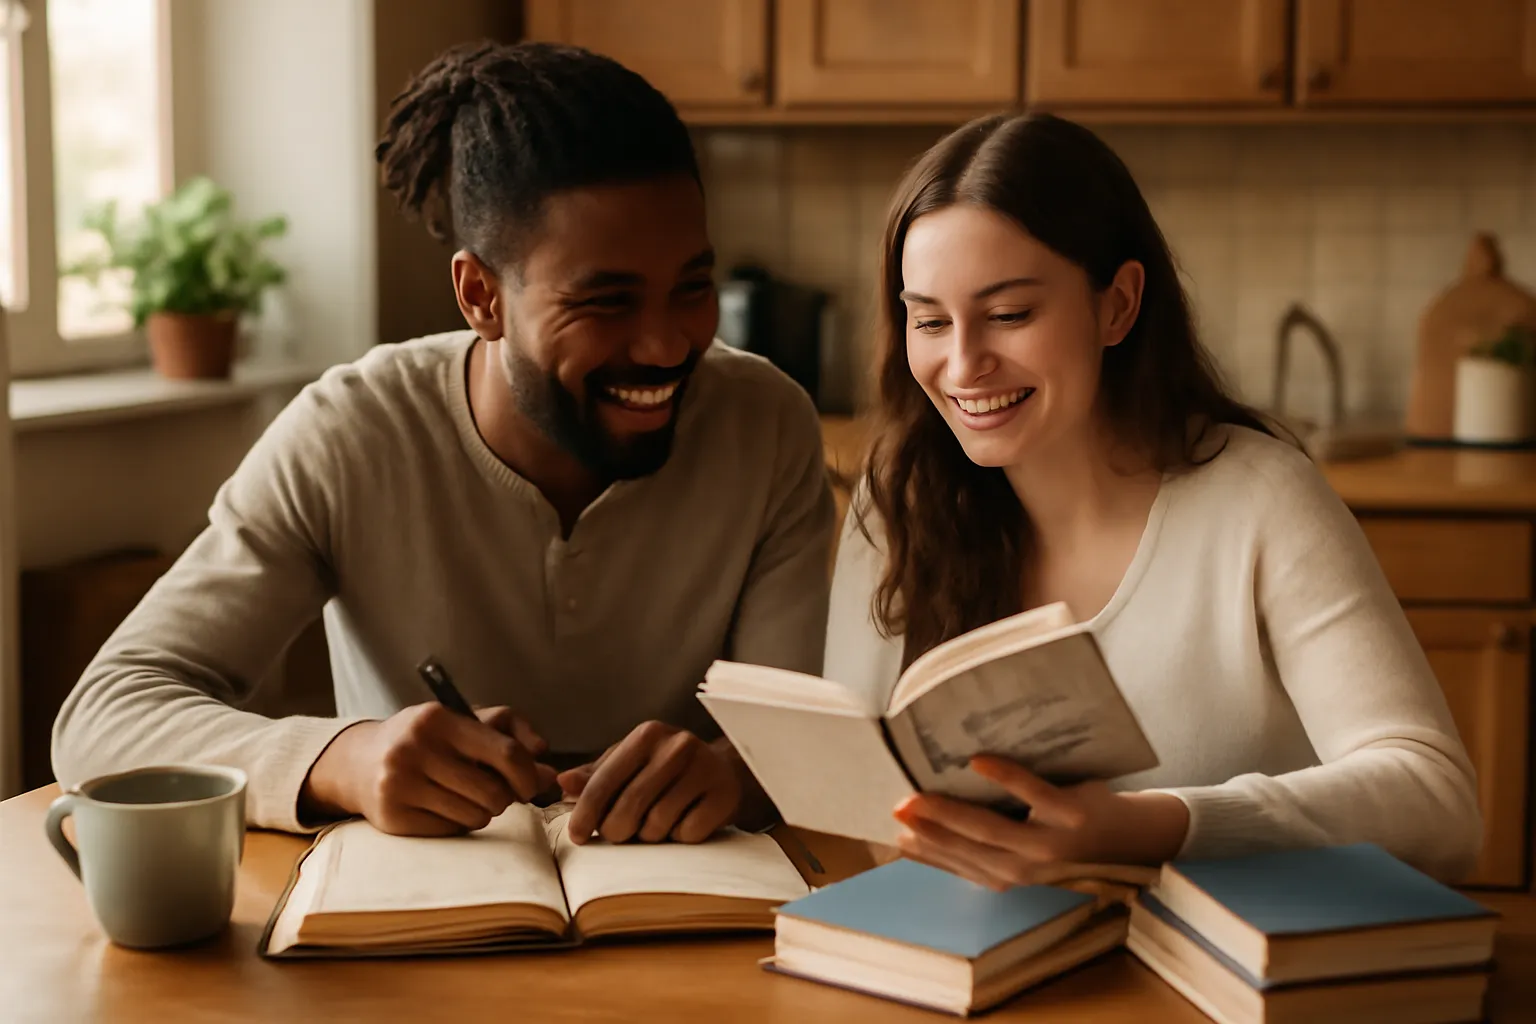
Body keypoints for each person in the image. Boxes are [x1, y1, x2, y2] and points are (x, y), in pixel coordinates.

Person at [52, 41, 836, 846]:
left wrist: (738, 771)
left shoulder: (766, 425)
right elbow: (105, 716)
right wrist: (344, 758)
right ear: (481, 296)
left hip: (698, 923)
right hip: (409, 927)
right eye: (607, 301)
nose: (669, 345)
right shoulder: (348, 435)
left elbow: (802, 733)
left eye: (693, 288)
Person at [825, 112, 1481, 888]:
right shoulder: (898, 496)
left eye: (1009, 315)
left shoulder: (1258, 499)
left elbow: (1440, 804)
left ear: (1118, 304)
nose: (963, 366)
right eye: (929, 320)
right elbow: (853, 799)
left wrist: (1159, 825)